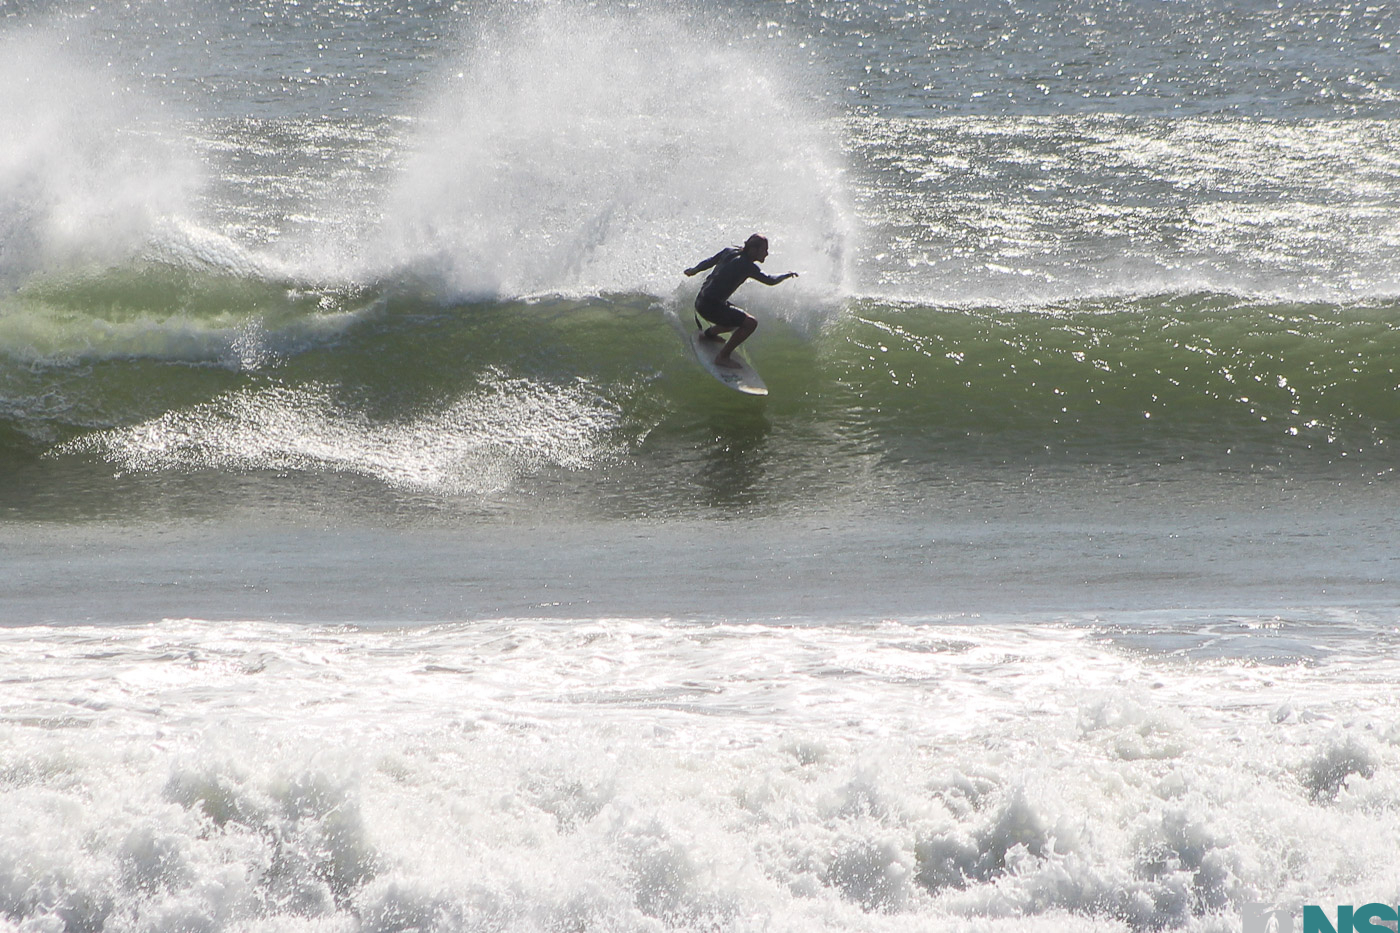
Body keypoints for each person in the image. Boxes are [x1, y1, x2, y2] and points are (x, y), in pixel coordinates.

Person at [684, 234, 798, 368]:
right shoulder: (747, 266)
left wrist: (694, 270)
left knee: (738, 319)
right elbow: (770, 280)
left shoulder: (728, 252)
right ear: (753, 250)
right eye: (764, 250)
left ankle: (708, 334)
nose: (766, 254)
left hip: (701, 300)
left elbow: (710, 261)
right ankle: (722, 357)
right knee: (750, 323)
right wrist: (786, 275)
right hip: (711, 307)